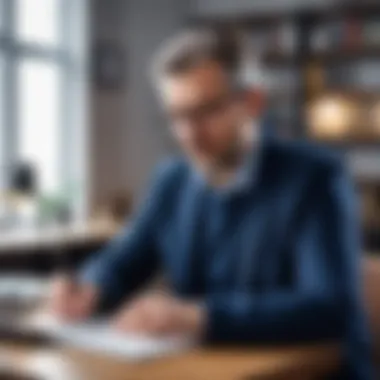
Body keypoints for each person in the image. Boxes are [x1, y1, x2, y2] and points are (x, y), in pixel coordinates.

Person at [49, 29, 372, 379]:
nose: (189, 134)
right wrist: (91, 287)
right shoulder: (171, 180)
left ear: (252, 102)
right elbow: (125, 259)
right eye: (176, 116)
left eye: (205, 112)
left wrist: (198, 317)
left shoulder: (317, 178)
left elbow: (327, 307)